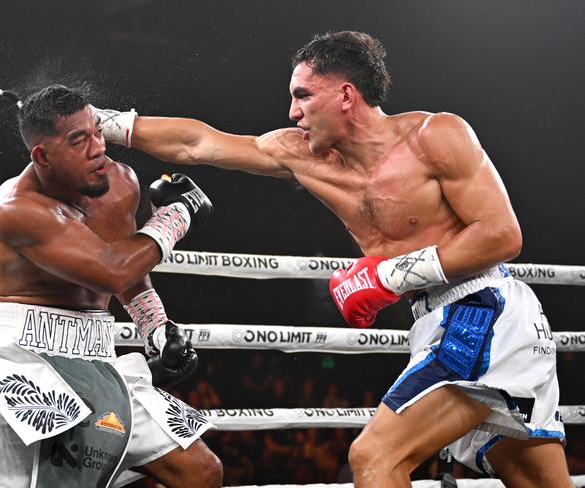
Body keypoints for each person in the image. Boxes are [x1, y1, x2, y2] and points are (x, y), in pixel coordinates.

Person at [95, 31, 571, 487]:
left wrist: (388, 276)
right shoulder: (303, 156)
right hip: (437, 319)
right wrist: (97, 122)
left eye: (303, 95)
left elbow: (502, 235)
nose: (292, 111)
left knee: (375, 456)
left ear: (345, 95)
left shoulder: (435, 136)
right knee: (534, 479)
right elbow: (198, 143)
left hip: (483, 308)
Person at [0, 85, 222, 488]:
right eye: (78, 140)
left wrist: (154, 325)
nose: (98, 148)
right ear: (43, 156)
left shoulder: (121, 183)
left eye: (98, 132)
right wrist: (178, 215)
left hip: (99, 356)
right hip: (25, 358)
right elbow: (113, 270)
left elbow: (128, 263)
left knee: (200, 471)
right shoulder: (17, 208)